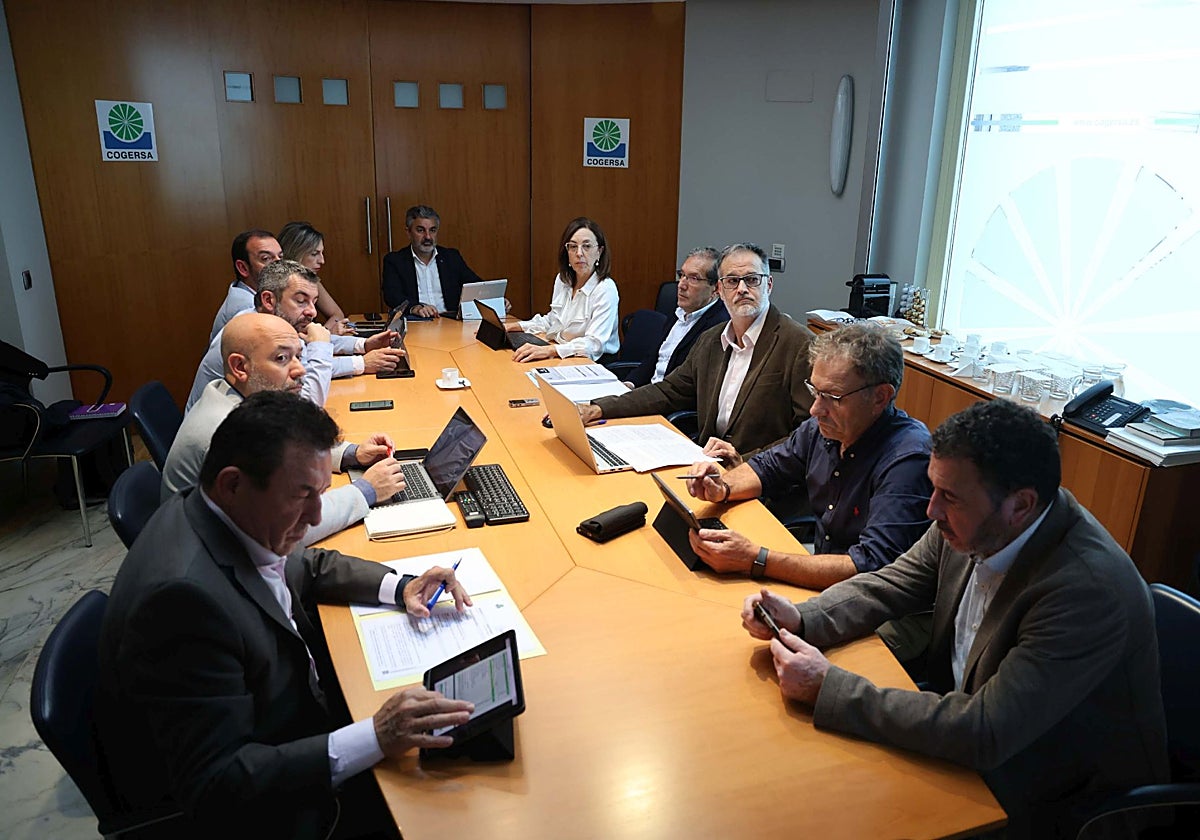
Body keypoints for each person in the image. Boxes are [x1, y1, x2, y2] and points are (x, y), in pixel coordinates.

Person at [743, 399, 1168, 835]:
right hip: (970, 740)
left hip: (1061, 795)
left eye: (948, 496)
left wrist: (829, 687)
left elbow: (985, 731)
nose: (931, 510)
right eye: (933, 488)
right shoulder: (978, 517)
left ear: (1020, 505)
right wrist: (800, 617)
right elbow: (891, 584)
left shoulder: (1085, 590)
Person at [97, 392, 475, 839]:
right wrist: (375, 735)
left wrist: (401, 585)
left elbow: (305, 565)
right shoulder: (182, 602)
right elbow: (218, 783)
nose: (316, 515)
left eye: (320, 493)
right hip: (268, 802)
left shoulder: (220, 511)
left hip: (280, 713)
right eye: (302, 496)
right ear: (233, 483)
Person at [684, 323, 931, 589]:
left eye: (832, 397)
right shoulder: (822, 429)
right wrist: (723, 487)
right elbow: (768, 468)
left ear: (880, 397)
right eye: (815, 391)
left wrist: (755, 559)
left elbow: (871, 566)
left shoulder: (908, 459)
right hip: (822, 567)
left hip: (867, 598)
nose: (815, 409)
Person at [164, 313, 408, 546]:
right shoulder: (228, 433)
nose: (300, 370)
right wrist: (366, 491)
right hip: (215, 573)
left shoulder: (233, 393)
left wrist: (352, 454)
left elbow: (286, 443)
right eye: (281, 359)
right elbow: (286, 528)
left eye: (298, 356)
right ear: (240, 367)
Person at [580, 242, 813, 459]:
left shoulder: (799, 344)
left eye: (752, 279)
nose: (742, 289)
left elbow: (811, 432)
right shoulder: (711, 340)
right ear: (720, 290)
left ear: (769, 285)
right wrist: (600, 407)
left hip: (761, 477)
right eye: (732, 281)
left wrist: (748, 464)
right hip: (704, 463)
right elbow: (669, 391)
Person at [187, 260, 405, 411]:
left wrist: (362, 345)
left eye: (313, 301)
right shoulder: (254, 335)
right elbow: (305, 407)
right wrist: (328, 350)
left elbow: (313, 338)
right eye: (301, 301)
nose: (312, 311)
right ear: (269, 300)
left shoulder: (269, 321)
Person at [508, 217, 620, 363]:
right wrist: (514, 327)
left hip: (593, 362)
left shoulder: (606, 289)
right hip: (562, 354)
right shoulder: (563, 280)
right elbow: (552, 320)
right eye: (573, 247)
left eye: (586, 246)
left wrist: (549, 350)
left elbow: (594, 344)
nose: (579, 253)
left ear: (599, 251)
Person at [626, 247, 729, 387]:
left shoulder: (719, 327)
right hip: (648, 393)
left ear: (716, 289)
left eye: (693, 278)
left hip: (667, 403)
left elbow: (689, 388)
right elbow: (651, 361)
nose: (681, 285)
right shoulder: (679, 313)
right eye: (682, 275)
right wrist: (630, 384)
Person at [381, 205, 483, 317]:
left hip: (450, 321)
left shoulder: (451, 257)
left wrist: (496, 300)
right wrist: (415, 308)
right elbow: (392, 295)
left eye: (432, 230)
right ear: (408, 232)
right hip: (416, 322)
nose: (428, 237)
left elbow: (475, 285)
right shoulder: (395, 261)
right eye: (420, 230)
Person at [279, 220, 355, 336]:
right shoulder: (277, 284)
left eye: (321, 253)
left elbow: (337, 314)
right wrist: (325, 335)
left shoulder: (311, 280)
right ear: (295, 253)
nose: (322, 261)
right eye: (314, 254)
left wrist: (323, 333)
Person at [209, 228, 282, 341]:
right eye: (266, 258)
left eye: (280, 257)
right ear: (243, 268)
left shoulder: (246, 291)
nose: (279, 265)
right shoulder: (247, 308)